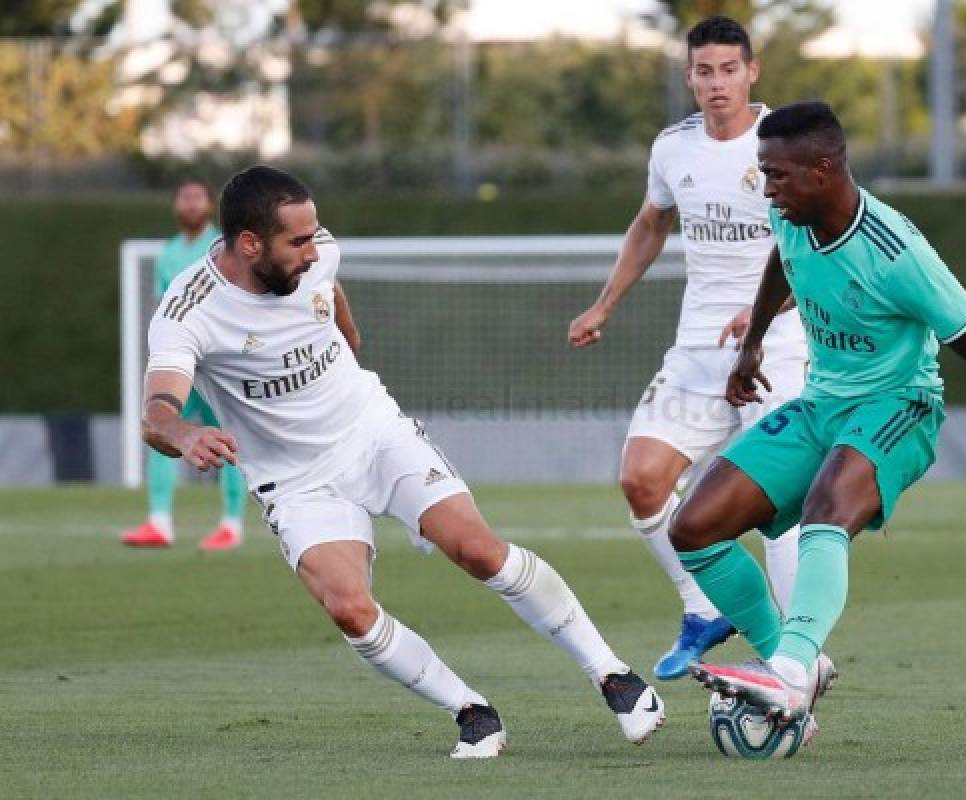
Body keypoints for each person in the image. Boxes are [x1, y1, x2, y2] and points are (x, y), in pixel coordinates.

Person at [141, 165, 665, 759]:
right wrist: (185, 435)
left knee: (477, 550)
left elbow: (330, 290)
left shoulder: (319, 256)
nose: (315, 251)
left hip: (373, 432)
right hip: (294, 481)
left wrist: (347, 332)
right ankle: (469, 709)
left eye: (316, 236)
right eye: (298, 242)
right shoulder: (188, 311)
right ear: (249, 244)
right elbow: (156, 412)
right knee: (349, 609)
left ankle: (614, 675)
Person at [670, 101, 966, 745]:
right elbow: (784, 262)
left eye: (776, 175)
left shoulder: (897, 251)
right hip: (822, 404)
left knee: (828, 510)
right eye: (762, 173)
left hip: (900, 409)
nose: (766, 189)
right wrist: (752, 344)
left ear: (823, 169)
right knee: (693, 527)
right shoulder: (789, 212)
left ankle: (791, 666)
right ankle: (794, 664)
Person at [568, 16, 832, 687]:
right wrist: (605, 303)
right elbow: (650, 222)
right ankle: (704, 606)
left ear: (753, 72)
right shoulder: (673, 148)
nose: (716, 84)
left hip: (777, 350)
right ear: (689, 76)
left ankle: (797, 657)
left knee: (778, 506)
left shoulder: (785, 146)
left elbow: (825, 246)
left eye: (728, 70)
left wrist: (764, 308)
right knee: (641, 479)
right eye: (704, 71)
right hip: (696, 350)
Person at [121, 179, 249, 550]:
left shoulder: (222, 249)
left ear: (209, 205)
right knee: (160, 427)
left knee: (226, 438)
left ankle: (231, 523)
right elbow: (166, 312)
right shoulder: (168, 254)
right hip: (182, 365)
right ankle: (159, 521)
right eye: (184, 197)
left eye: (197, 197)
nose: (190, 204)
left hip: (219, 364)